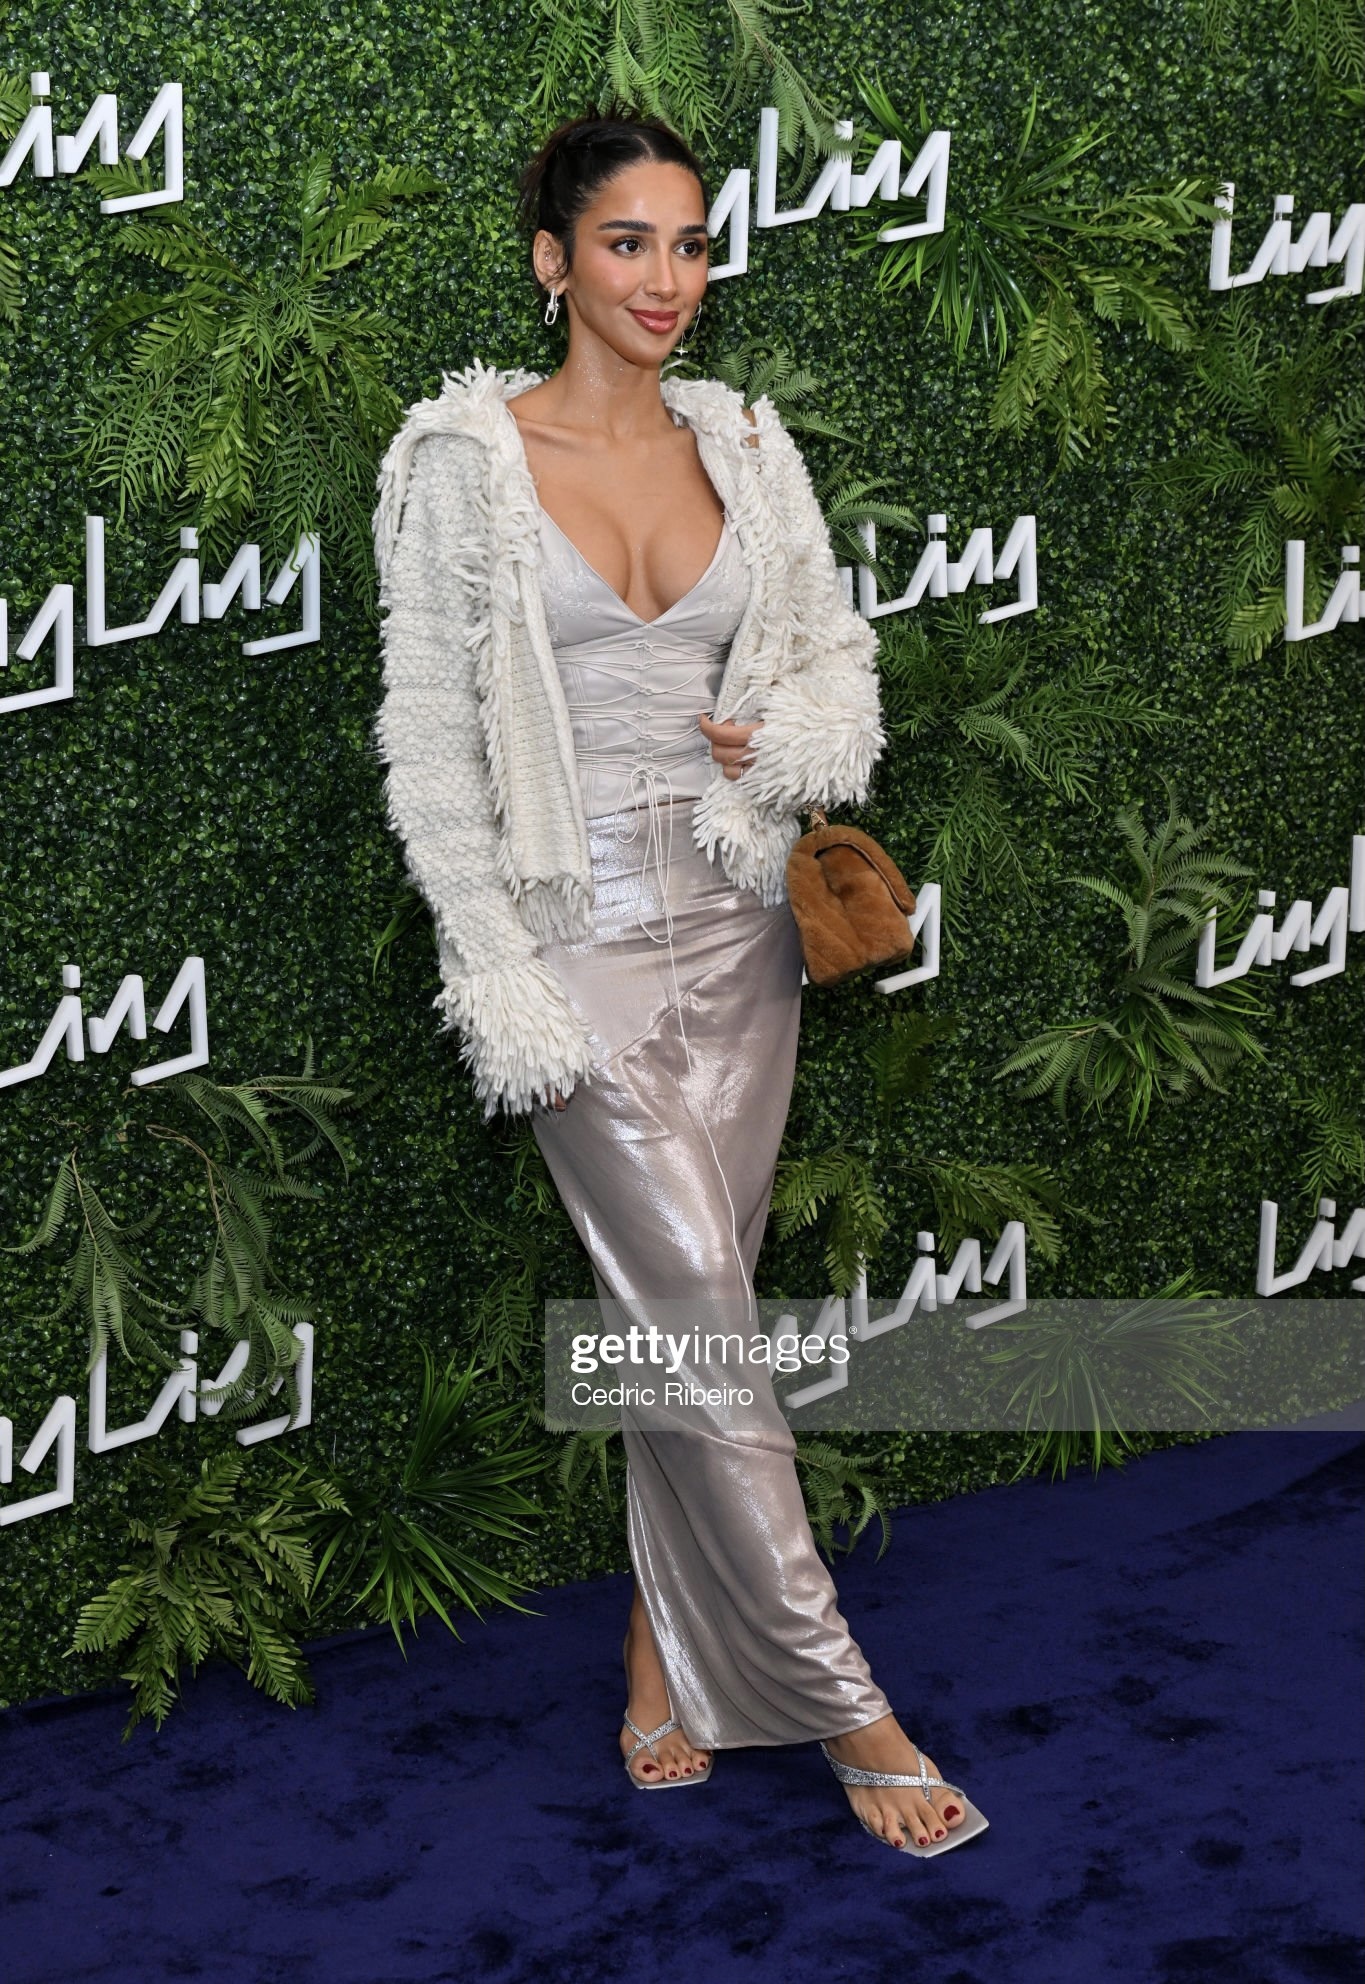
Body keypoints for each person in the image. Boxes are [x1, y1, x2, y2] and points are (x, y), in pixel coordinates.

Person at [372, 108, 986, 1855]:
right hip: (573, 949)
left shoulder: (743, 442)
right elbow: (431, 747)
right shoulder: (461, 460)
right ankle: (848, 1705)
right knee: (706, 1336)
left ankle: (664, 1655)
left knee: (677, 1323)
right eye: (627, 242)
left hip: (736, 933)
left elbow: (838, 666)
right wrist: (496, 964)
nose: (666, 279)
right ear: (552, 259)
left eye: (691, 243)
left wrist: (786, 736)